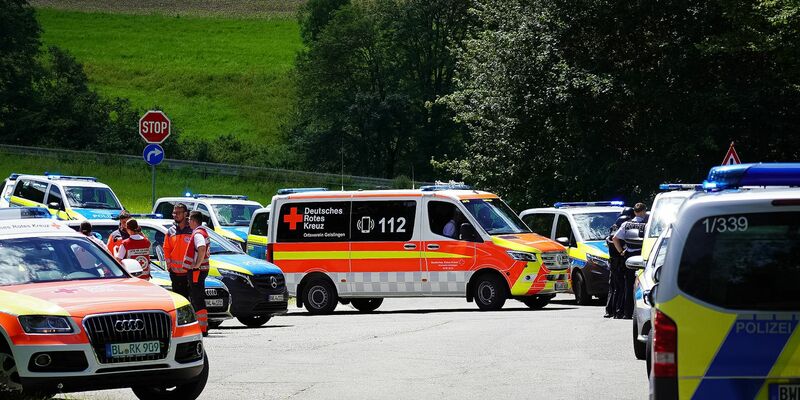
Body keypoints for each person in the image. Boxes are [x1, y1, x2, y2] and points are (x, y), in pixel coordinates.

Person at [612, 202, 649, 319]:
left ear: (634, 212)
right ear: (643, 211)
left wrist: (621, 252)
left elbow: (615, 238)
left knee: (628, 285)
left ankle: (628, 312)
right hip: (642, 256)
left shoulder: (626, 224)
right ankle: (641, 312)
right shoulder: (646, 225)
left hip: (629, 257)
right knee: (643, 285)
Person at [604, 208, 633, 318]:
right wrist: (622, 252)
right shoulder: (623, 226)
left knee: (614, 288)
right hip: (620, 261)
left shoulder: (613, 227)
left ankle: (610, 310)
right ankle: (618, 311)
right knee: (621, 288)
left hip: (613, 262)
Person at [184, 211, 210, 336]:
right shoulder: (203, 232)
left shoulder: (198, 234)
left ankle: (201, 327)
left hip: (197, 271)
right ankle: (202, 326)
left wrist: (197, 265)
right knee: (198, 296)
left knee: (197, 297)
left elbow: (202, 248)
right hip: (200, 270)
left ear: (194, 221)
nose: (188, 222)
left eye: (189, 220)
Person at [164, 203, 193, 300]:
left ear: (185, 214)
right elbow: (166, 249)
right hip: (175, 274)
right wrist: (169, 267)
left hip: (190, 273)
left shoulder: (192, 230)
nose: (175, 215)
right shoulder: (170, 231)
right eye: (174, 213)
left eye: (178, 213)